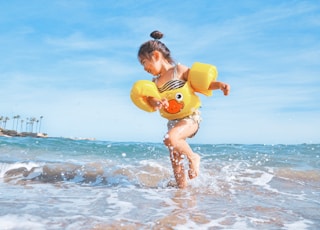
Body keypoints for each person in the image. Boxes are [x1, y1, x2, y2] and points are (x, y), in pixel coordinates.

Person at [136, 30, 230, 188]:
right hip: (172, 122)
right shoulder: (155, 82)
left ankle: (194, 158)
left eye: (144, 62)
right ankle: (181, 194)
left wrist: (219, 85)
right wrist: (157, 103)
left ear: (156, 56)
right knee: (175, 160)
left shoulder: (178, 71)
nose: (144, 68)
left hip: (190, 118)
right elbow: (152, 100)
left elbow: (201, 83)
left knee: (169, 139)